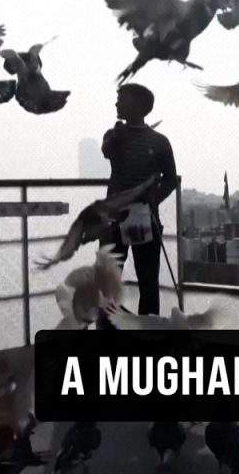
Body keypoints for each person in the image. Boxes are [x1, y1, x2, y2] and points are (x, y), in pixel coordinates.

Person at [98, 84, 177, 319]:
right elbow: (107, 151)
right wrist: (117, 137)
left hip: (146, 218)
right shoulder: (113, 135)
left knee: (148, 282)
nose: (117, 103)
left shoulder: (160, 142)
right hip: (114, 220)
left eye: (122, 99)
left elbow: (170, 179)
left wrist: (153, 200)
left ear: (140, 105)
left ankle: (148, 332)